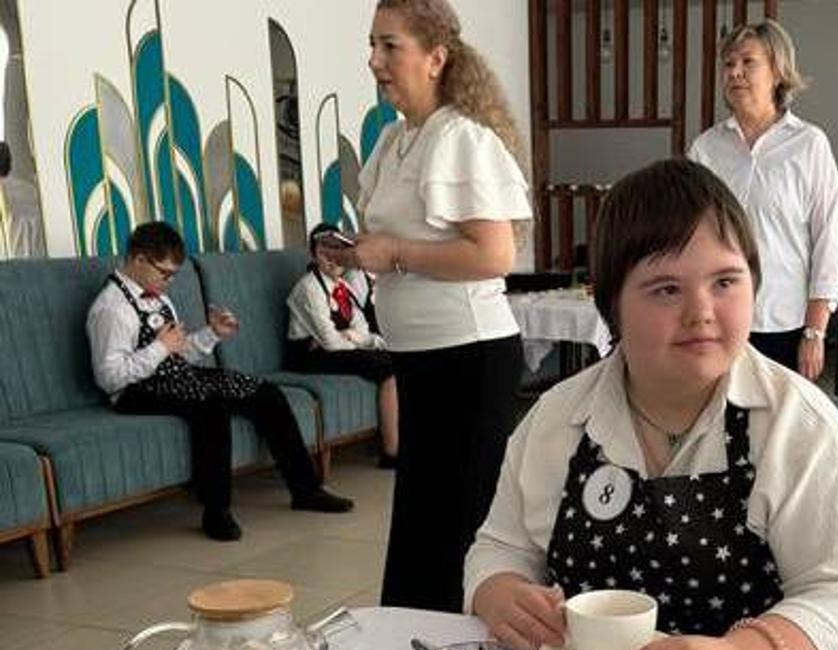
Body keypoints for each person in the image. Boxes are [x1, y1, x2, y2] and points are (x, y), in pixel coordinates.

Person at [464, 159, 838, 650]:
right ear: (611, 305)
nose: (701, 312)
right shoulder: (557, 419)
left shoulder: (796, 426)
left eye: (725, 282)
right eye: (666, 289)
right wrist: (498, 591)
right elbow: (500, 546)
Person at [327, 0, 531, 612]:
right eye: (372, 45)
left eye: (390, 46)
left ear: (436, 58)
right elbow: (405, 240)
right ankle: (409, 643)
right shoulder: (396, 140)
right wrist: (358, 251)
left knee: (457, 526)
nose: (374, 60)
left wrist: (392, 253)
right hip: (420, 356)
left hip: (468, 357)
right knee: (421, 519)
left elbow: (494, 254)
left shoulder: (461, 138)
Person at [86, 221, 354, 541]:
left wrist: (212, 334)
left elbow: (180, 353)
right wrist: (160, 349)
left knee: (265, 392)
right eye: (165, 273)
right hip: (134, 392)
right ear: (139, 259)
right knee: (212, 405)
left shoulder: (159, 298)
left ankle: (306, 489)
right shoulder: (111, 309)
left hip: (175, 376)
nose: (169, 282)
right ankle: (216, 511)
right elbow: (109, 377)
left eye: (173, 275)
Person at [688, 20, 838, 382]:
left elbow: (829, 238)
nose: (735, 72)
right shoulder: (705, 149)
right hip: (718, 320)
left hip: (784, 322)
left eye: (748, 62)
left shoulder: (809, 144)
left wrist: (815, 331)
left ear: (777, 71)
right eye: (729, 64)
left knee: (779, 417)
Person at [286, 225, 398, 467]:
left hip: (332, 349)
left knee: (400, 359)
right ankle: (391, 452)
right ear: (313, 255)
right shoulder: (308, 288)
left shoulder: (343, 287)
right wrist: (352, 339)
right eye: (324, 252)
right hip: (308, 356)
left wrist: (355, 337)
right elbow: (330, 342)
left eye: (337, 250)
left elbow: (362, 330)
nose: (332, 258)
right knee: (388, 370)